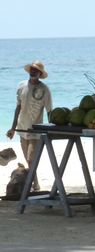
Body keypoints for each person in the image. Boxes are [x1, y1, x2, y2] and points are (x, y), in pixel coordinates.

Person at [5, 60, 53, 191]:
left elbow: (50, 111)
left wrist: (51, 131)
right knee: (28, 159)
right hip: (22, 128)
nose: (33, 71)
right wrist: (12, 128)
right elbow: (18, 108)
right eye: (32, 69)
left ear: (40, 74)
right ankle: (34, 183)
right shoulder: (21, 86)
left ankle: (34, 183)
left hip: (35, 130)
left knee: (31, 159)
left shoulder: (45, 89)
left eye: (36, 70)